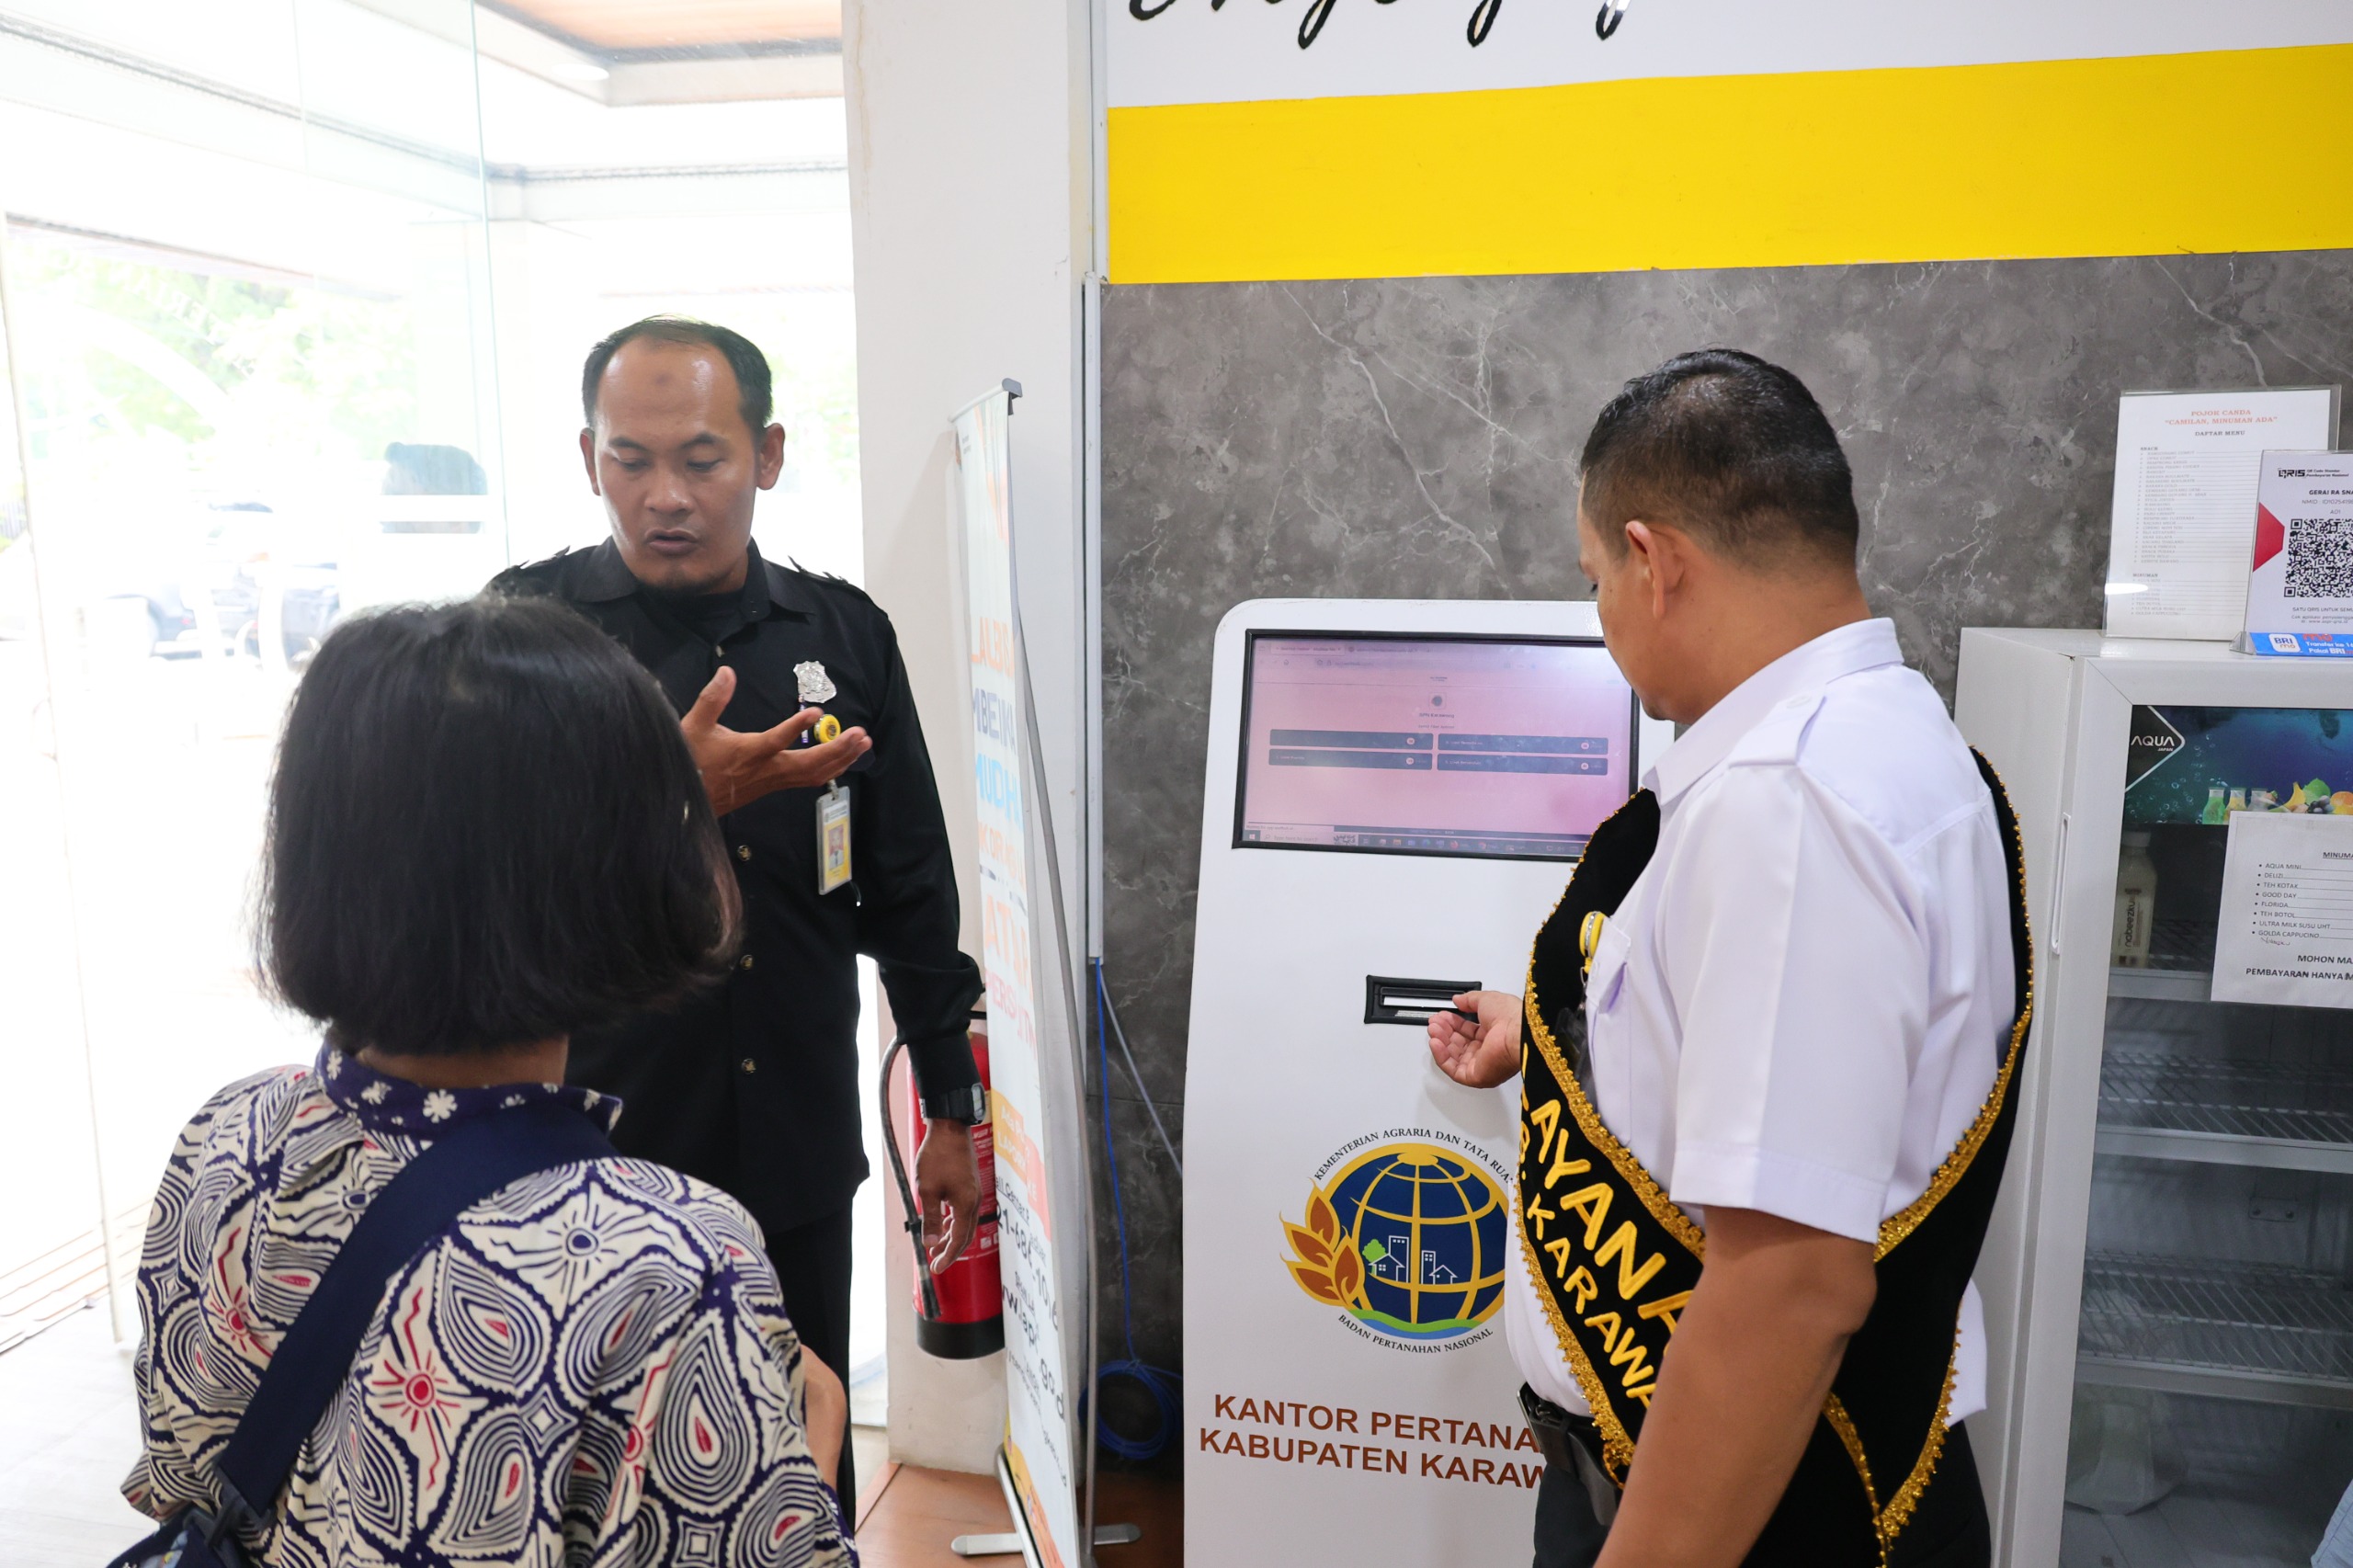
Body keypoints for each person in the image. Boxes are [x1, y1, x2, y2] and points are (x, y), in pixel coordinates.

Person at [1428, 350, 2029, 1568]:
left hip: (1751, 1509)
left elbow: (1788, 1284)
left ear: (1654, 561)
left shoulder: (1786, 801)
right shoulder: (1902, 742)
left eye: (1595, 580)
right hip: (1786, 1474)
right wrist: (1561, 1033)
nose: (1603, 617)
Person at [124, 597, 855, 1565]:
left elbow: (180, 1478)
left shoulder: (229, 1134)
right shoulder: (667, 1263)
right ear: (619, 875)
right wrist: (814, 1440)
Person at [490, 317, 987, 1507]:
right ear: (588, 459)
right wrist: (671, 804)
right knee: (605, 1478)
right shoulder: (522, 635)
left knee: (798, 1460)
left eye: (701, 459)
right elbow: (479, 889)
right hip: (592, 1156)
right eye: (630, 459)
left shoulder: (841, 634)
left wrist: (951, 1108)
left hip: (794, 1148)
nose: (664, 495)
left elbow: (909, 889)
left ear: (766, 454)